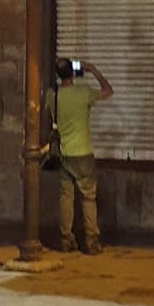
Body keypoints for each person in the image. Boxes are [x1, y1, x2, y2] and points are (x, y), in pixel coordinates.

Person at [46, 57, 113, 255]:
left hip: (63, 154)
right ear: (73, 73)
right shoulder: (83, 93)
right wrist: (92, 69)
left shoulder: (52, 95)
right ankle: (91, 241)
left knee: (65, 197)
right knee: (88, 198)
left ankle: (66, 239)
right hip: (83, 153)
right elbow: (109, 90)